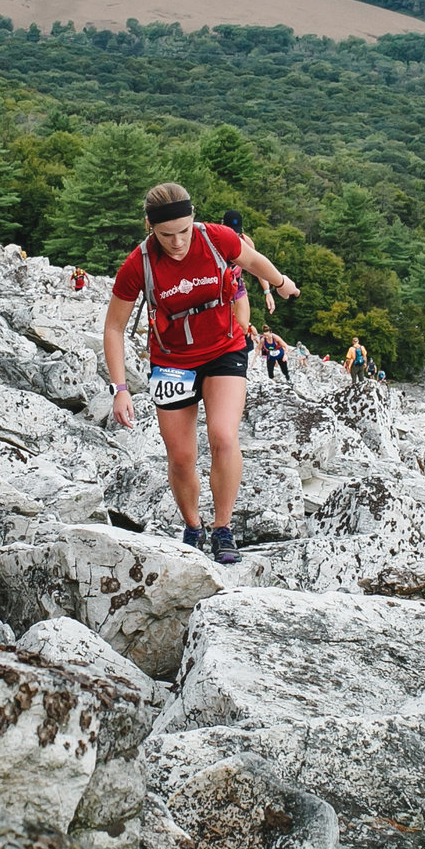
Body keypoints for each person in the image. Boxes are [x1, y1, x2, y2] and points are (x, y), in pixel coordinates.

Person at [104, 184, 299, 566]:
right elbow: (113, 327)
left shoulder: (216, 238)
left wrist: (279, 283)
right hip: (172, 359)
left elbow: (254, 260)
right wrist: (120, 389)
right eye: (166, 235)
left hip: (224, 349)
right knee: (180, 456)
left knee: (223, 436)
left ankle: (223, 528)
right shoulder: (138, 264)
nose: (177, 242)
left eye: (184, 231)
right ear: (149, 227)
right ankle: (192, 527)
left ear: (194, 218)